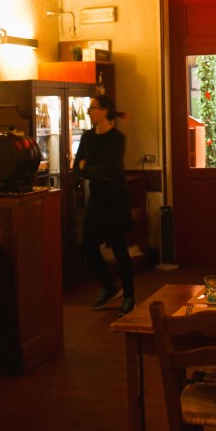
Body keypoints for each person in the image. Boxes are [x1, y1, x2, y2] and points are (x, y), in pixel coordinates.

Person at [73, 94, 135, 317]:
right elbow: (76, 167)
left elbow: (108, 170)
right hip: (97, 197)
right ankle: (109, 286)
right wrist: (91, 170)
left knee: (118, 247)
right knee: (88, 245)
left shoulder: (117, 138)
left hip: (116, 198)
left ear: (105, 111)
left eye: (93, 108)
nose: (89, 112)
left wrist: (88, 167)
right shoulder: (87, 137)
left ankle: (129, 296)